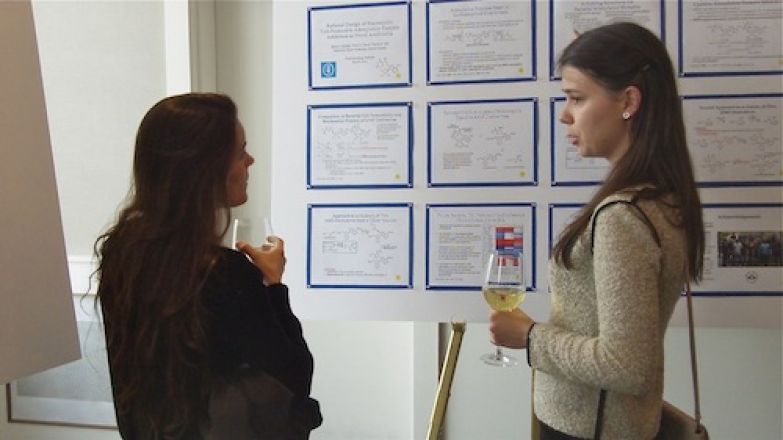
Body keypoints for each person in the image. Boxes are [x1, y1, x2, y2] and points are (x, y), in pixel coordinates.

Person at [489, 22, 704, 439]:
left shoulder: (624, 216)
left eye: (577, 98)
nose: (564, 114)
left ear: (628, 101)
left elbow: (627, 365)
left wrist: (529, 337)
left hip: (591, 430)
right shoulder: (661, 197)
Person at [95, 93, 322, 439]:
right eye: (240, 152)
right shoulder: (224, 273)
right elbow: (295, 374)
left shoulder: (121, 255)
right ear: (204, 167)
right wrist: (273, 286)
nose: (251, 161)